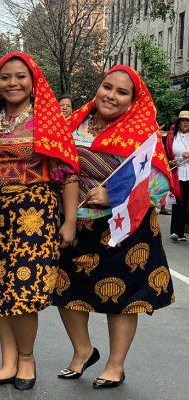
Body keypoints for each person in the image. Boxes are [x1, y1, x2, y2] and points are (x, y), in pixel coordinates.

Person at [0, 52, 79, 391]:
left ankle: (26, 358)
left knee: (23, 289)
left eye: (20, 76)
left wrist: (69, 222)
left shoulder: (47, 119)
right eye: (6, 77)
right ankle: (7, 362)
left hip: (33, 215)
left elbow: (68, 174)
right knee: (1, 287)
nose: (13, 83)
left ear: (33, 80)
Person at [53, 65, 176, 389]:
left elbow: (160, 185)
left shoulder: (142, 133)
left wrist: (114, 195)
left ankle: (115, 365)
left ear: (133, 101)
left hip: (123, 228)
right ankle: (82, 352)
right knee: (65, 289)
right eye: (107, 87)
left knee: (121, 298)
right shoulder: (73, 122)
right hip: (74, 222)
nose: (111, 95)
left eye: (122, 92)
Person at [166, 110, 189, 242]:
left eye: (188, 121)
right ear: (179, 123)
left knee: (186, 204)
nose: (186, 123)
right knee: (179, 201)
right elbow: (164, 154)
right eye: (183, 120)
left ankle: (182, 232)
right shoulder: (171, 137)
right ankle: (175, 231)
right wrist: (170, 161)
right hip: (177, 173)